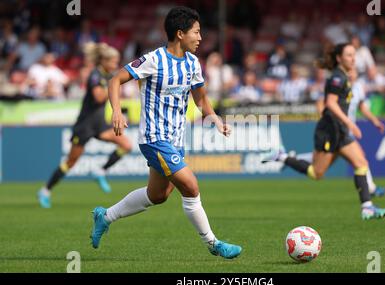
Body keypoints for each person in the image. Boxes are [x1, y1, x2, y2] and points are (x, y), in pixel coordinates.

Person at [90, 7, 242, 259]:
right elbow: (115, 80)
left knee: (158, 195)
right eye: (196, 32)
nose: (200, 37)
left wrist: (215, 119)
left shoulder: (193, 63)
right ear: (180, 34)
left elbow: (201, 100)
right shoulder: (153, 60)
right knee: (191, 187)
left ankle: (105, 216)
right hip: (153, 138)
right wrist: (116, 111)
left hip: (176, 139)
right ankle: (214, 244)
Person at [263, 43, 385, 220]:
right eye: (349, 55)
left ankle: (367, 207)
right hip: (330, 131)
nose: (353, 59)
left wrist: (372, 121)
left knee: (361, 162)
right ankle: (282, 156)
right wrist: (350, 123)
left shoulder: (345, 78)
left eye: (354, 55)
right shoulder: (337, 78)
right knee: (317, 173)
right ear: (339, 58)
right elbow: (330, 103)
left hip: (341, 131)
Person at [37, 43, 132, 208]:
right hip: (85, 126)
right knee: (70, 162)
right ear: (104, 60)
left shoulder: (108, 76)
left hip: (100, 124)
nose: (116, 65)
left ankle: (100, 171)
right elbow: (98, 97)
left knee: (126, 145)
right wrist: (114, 87)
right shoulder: (95, 75)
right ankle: (45, 190)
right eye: (113, 61)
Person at [290, 68, 385, 197]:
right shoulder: (339, 85)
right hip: (336, 129)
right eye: (350, 72)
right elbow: (322, 102)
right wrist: (325, 117)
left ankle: (293, 159)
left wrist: (375, 121)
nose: (352, 74)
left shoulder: (358, 87)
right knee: (323, 168)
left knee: (333, 162)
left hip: (347, 130)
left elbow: (362, 107)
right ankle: (370, 192)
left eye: (354, 72)